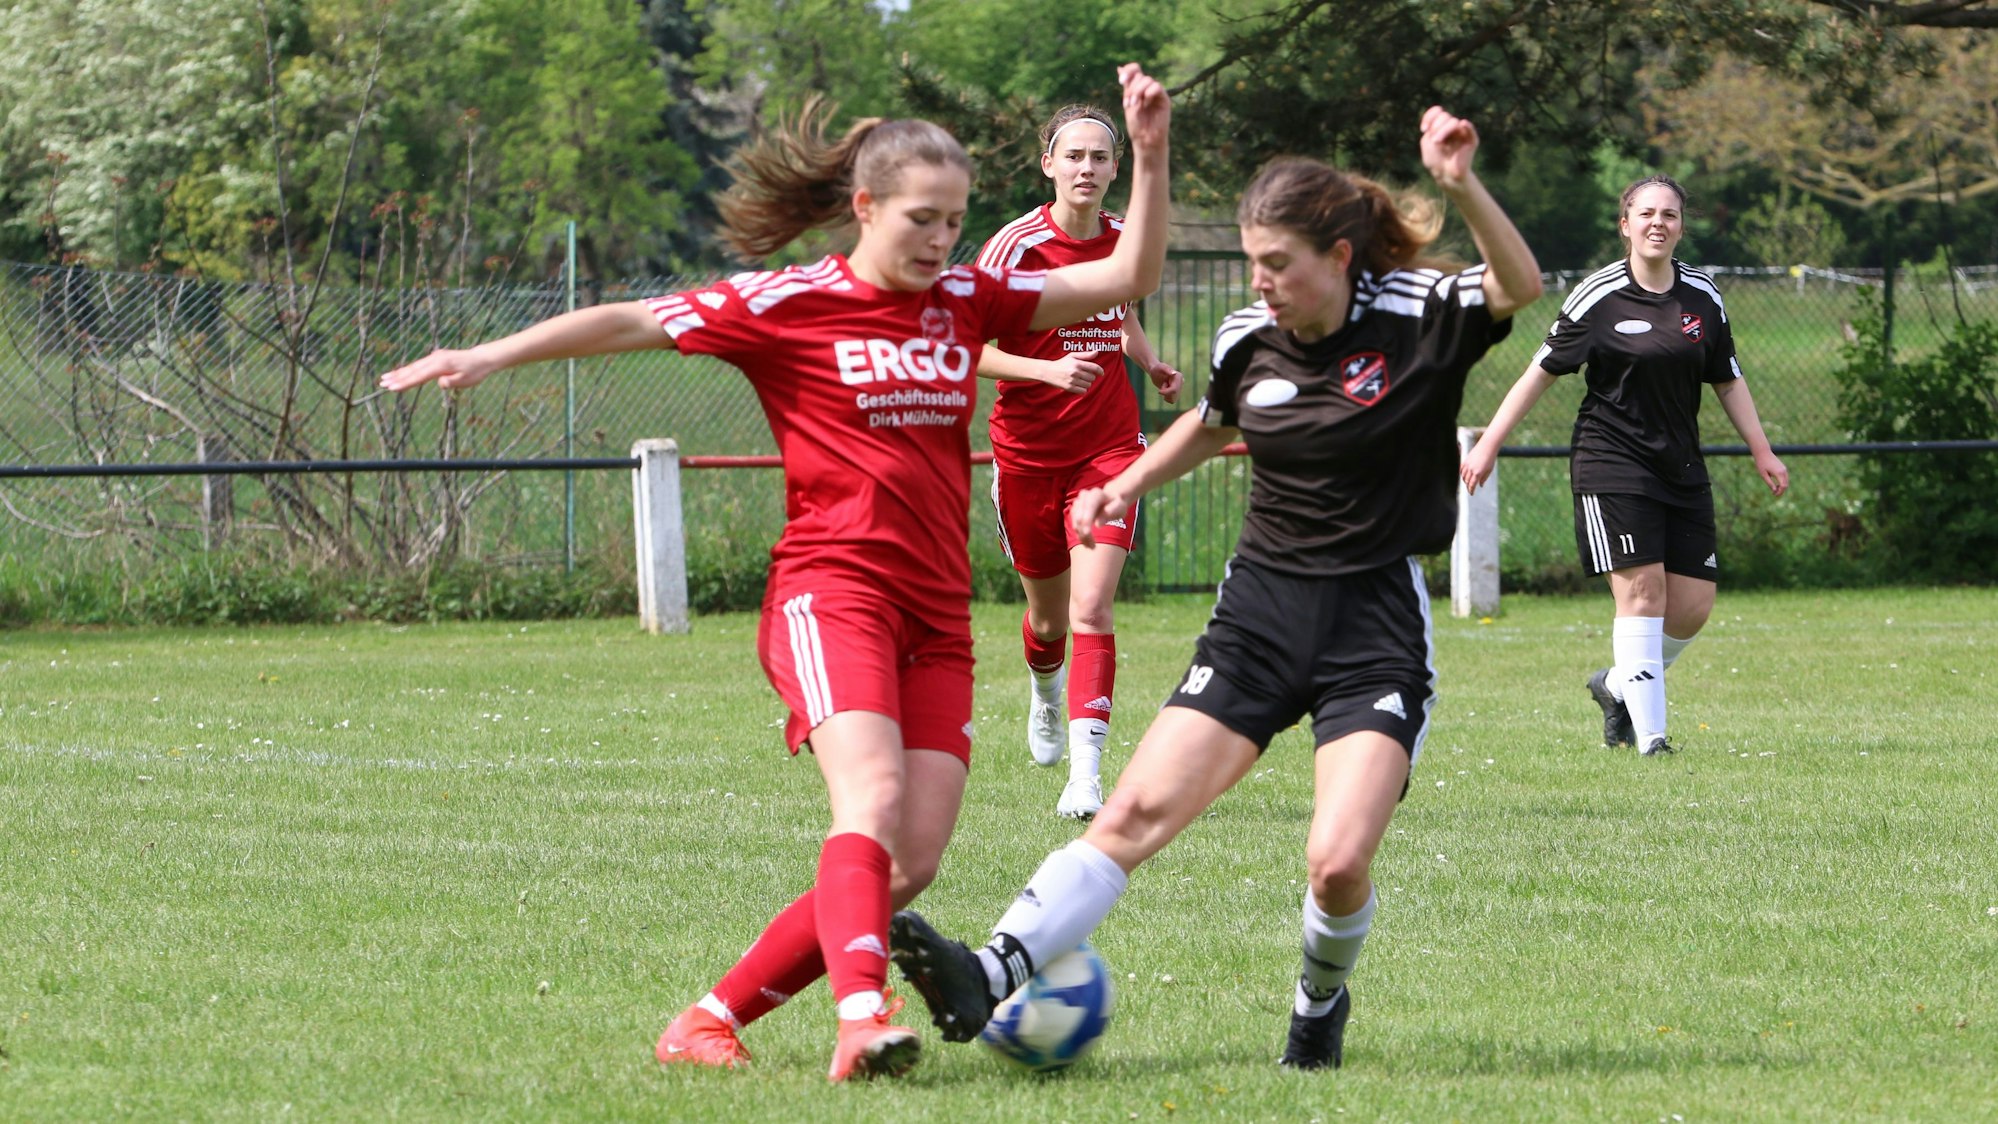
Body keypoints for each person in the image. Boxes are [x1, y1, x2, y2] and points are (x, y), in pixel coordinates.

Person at [376, 64, 1173, 1082]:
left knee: (913, 858)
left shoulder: (968, 298)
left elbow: (1125, 280)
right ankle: (860, 1017)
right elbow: (633, 320)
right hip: (830, 591)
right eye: (922, 220)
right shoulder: (787, 303)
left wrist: (1149, 153)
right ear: (866, 207)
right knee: (872, 800)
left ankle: (708, 1016)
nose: (941, 241)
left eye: (955, 220)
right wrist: (490, 353)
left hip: (936, 611)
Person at [888, 106, 1542, 1070]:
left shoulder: (1416, 318)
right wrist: (1123, 479)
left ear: (1342, 254)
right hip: (1259, 619)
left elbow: (1515, 286)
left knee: (1337, 860)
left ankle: (1319, 1003)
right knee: (1131, 818)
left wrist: (1459, 185)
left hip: (1373, 629)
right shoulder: (1248, 336)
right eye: (1252, 263)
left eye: (1279, 263)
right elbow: (1209, 421)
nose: (1261, 283)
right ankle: (989, 973)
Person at [1460, 174, 1788, 756]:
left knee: (1691, 608)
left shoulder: (1703, 297)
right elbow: (1538, 373)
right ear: (1626, 224)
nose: (1659, 223)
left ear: (1682, 226)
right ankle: (1653, 738)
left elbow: (1727, 377)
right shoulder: (1597, 296)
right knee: (1642, 592)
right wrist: (1489, 442)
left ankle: (1615, 685)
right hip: (1611, 460)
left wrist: (1761, 448)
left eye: (1670, 214)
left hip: (1681, 466)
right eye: (1647, 214)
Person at [973, 104, 1185, 820]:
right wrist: (1044, 373)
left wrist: (1148, 360)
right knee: (1050, 621)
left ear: (1116, 167)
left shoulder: (1126, 241)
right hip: (1028, 456)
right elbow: (967, 346)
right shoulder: (1014, 247)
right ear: (1049, 165)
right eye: (1074, 156)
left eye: (1100, 157)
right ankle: (1044, 690)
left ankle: (1088, 776)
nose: (1087, 168)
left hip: (1110, 450)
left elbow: (1117, 306)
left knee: (1094, 604)